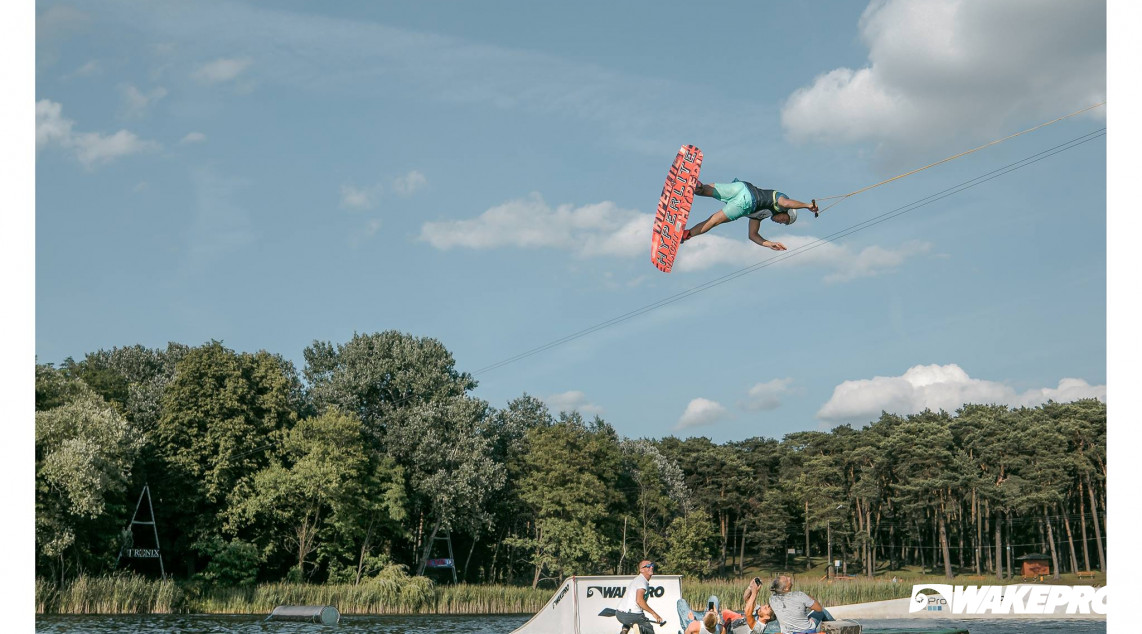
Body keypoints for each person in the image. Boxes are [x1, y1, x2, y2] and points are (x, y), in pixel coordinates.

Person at [681, 179, 817, 251]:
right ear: (786, 212)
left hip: (742, 187)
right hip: (746, 202)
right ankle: (686, 234)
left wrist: (769, 244)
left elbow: (752, 235)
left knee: (705, 190)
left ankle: (695, 185)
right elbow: (787, 203)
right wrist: (807, 206)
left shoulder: (761, 214)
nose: (781, 222)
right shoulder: (780, 203)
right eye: (784, 220)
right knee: (714, 220)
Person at [615, 561, 667, 634]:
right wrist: (654, 614)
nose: (651, 567)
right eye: (648, 566)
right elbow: (639, 601)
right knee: (649, 631)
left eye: (652, 565)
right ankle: (640, 629)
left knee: (632, 620)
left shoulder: (637, 580)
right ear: (641, 570)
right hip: (632, 615)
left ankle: (625, 630)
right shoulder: (642, 581)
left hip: (620, 614)